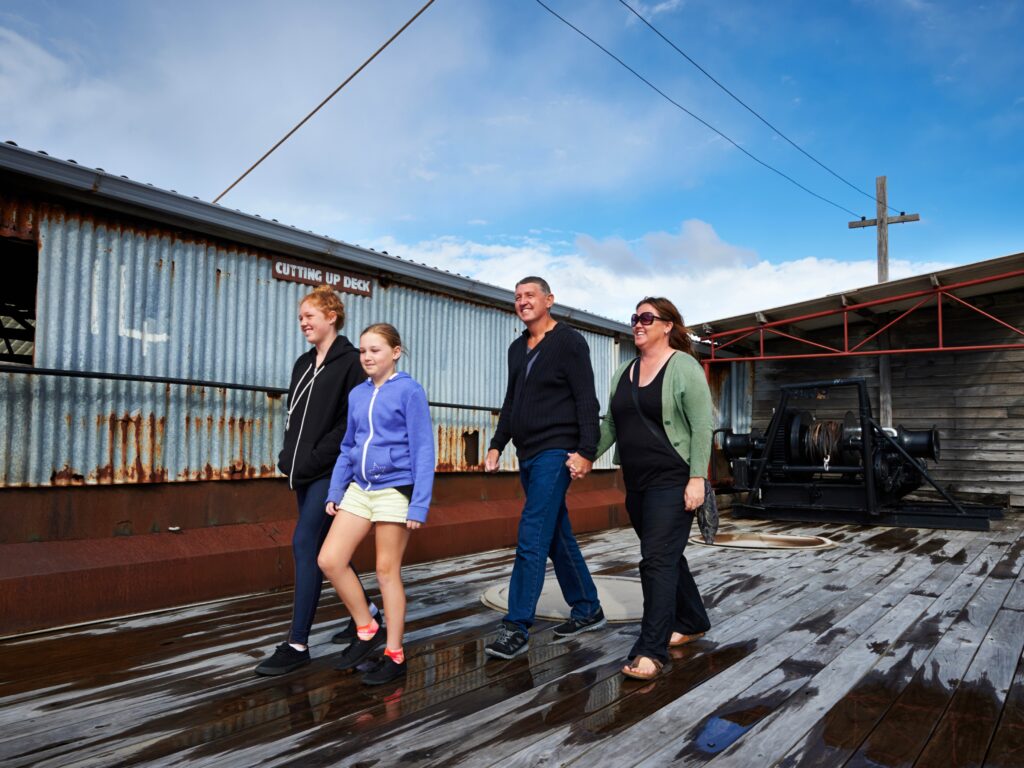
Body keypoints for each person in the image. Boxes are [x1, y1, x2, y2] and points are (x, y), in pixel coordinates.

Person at [254, 285, 382, 677]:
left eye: (310, 316)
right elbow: (294, 416)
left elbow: (350, 423)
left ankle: (297, 644)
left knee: (305, 543)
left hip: (332, 471)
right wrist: (288, 456)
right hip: (303, 472)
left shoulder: (351, 363)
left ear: (332, 316)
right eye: (301, 317)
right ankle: (369, 614)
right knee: (328, 548)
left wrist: (315, 458)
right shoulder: (303, 363)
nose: (303, 323)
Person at [588, 297, 713, 680]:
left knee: (655, 561)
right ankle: (692, 619)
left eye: (646, 317)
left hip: (673, 479)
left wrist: (697, 478)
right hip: (637, 483)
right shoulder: (624, 371)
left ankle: (651, 649)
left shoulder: (684, 367)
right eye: (635, 318)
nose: (638, 324)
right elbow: (611, 425)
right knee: (666, 555)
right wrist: (585, 456)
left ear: (667, 326)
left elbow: (702, 426)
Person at [483, 276, 606, 660]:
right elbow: (512, 400)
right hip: (528, 453)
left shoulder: (569, 342)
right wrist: (497, 443)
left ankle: (516, 626)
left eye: (530, 295)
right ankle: (587, 607)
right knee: (555, 535)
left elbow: (586, 399)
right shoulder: (517, 348)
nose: (522, 301)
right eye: (517, 297)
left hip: (557, 451)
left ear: (549, 300)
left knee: (533, 533)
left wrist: (587, 451)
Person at [318, 323, 435, 685]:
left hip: (394, 489)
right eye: (363, 351)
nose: (367, 357)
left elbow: (423, 449)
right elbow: (348, 446)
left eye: (375, 350)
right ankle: (367, 626)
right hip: (359, 488)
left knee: (386, 571)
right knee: (330, 560)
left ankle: (395, 655)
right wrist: (336, 490)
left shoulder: (410, 391)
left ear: (395, 352)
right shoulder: (358, 394)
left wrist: (419, 505)